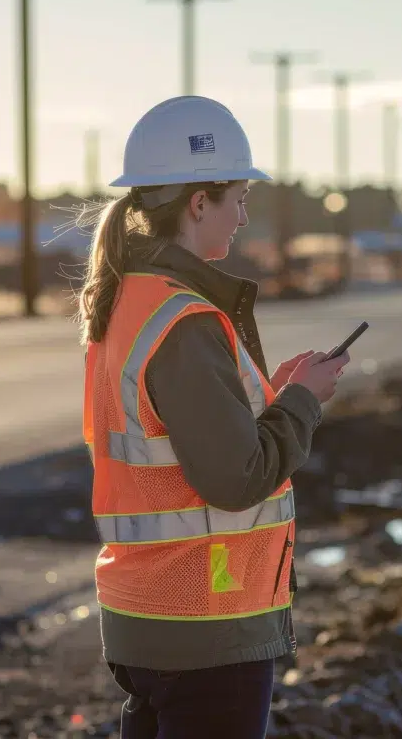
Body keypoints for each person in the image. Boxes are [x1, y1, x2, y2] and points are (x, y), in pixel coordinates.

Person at [78, 96, 350, 739]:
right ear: (199, 202)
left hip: (146, 615)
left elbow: (177, 434)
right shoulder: (185, 318)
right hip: (204, 622)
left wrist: (279, 395)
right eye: (238, 197)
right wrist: (305, 403)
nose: (245, 215)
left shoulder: (130, 300)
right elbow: (235, 478)